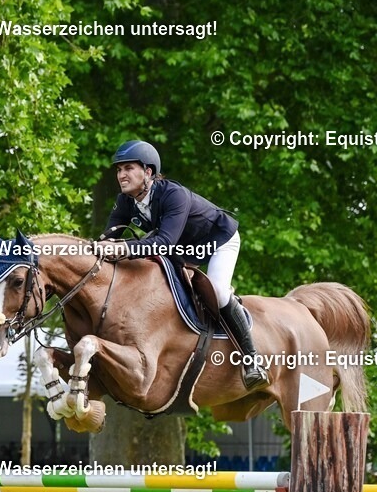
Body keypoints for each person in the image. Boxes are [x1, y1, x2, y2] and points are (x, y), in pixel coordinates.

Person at [92, 140, 269, 391]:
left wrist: (124, 248)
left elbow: (163, 242)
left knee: (218, 292)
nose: (122, 175)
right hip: (180, 248)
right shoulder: (125, 202)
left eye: (129, 168)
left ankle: (252, 360)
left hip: (218, 240)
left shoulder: (173, 194)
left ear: (148, 172)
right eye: (119, 170)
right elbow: (107, 237)